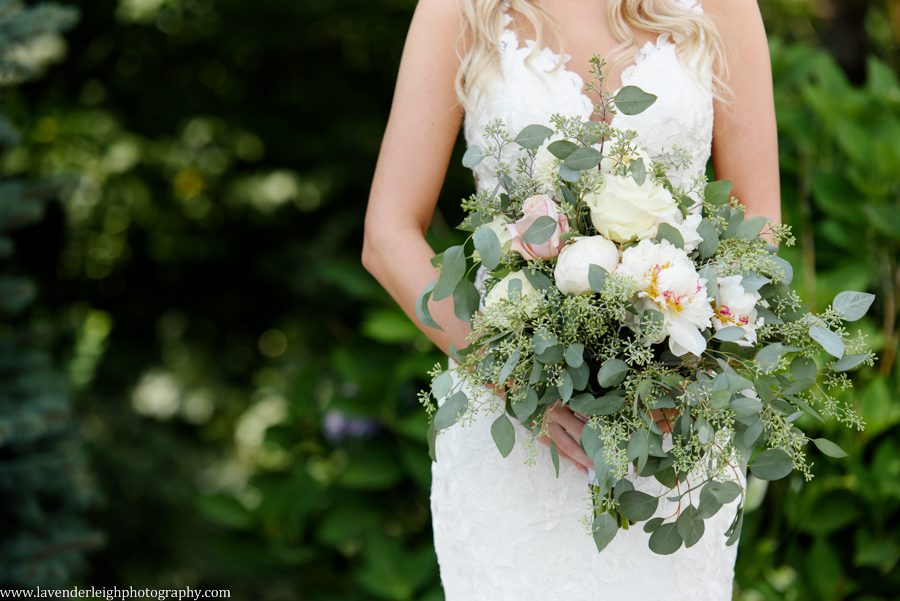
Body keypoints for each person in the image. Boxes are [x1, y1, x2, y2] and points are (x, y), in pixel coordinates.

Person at [362, 0, 780, 598]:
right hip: (511, 432)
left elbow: (758, 227)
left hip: (672, 425)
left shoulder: (722, 7)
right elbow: (388, 234)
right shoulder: (459, 9)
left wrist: (692, 368)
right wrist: (514, 379)